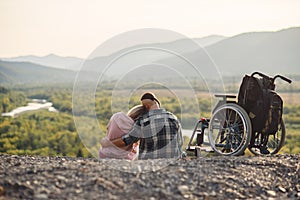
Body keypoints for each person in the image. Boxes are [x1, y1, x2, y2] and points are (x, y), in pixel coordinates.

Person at [108, 92, 183, 160]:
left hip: (149, 164)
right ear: (156, 102)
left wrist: (108, 143)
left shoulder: (143, 121)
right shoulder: (173, 118)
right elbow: (180, 143)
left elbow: (127, 140)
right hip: (173, 163)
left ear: (146, 106)